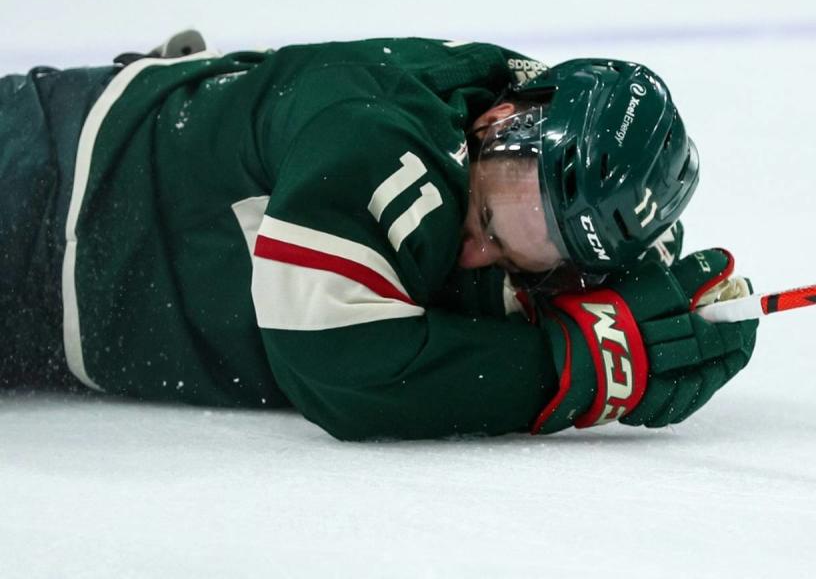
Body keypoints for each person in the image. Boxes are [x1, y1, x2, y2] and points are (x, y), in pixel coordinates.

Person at [0, 33, 758, 440]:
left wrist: (643, 289)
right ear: (496, 125)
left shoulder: (517, 117)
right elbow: (335, 360)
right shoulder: (376, 141)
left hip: (74, 244)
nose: (476, 254)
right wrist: (574, 365)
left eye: (517, 257)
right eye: (485, 221)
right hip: (39, 195)